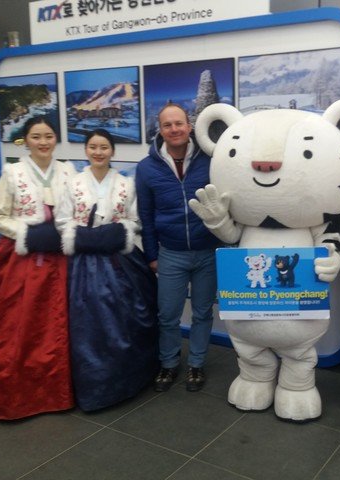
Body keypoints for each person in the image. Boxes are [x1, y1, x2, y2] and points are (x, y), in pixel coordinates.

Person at [0, 116, 76, 420]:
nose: (43, 142)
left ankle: (62, 388)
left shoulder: (67, 171)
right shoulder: (12, 173)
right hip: (23, 260)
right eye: (36, 136)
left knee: (63, 321)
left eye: (48, 136)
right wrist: (29, 234)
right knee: (19, 323)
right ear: (25, 140)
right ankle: (22, 390)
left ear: (56, 139)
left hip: (61, 258)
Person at [55, 129, 159, 412]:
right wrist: (86, 235)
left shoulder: (126, 183)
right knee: (86, 324)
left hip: (120, 260)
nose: (98, 152)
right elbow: (62, 219)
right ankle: (93, 385)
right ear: (85, 150)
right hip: (83, 264)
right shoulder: (73, 183)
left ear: (112, 151)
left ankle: (127, 379)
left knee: (129, 316)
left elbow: (135, 220)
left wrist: (114, 232)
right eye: (93, 147)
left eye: (104, 147)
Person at [135, 102, 220, 393]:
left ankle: (196, 364)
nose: (174, 129)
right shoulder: (147, 168)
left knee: (202, 313)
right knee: (168, 315)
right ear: (160, 130)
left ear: (189, 126)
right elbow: (145, 215)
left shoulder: (210, 161)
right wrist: (152, 255)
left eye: (179, 123)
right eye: (167, 125)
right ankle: (169, 364)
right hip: (170, 253)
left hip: (208, 250)